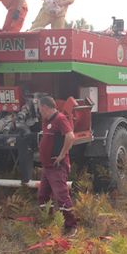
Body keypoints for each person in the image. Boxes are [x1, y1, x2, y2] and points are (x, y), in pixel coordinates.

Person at [37, 96, 77, 237]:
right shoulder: (46, 121)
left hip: (57, 166)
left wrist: (62, 155)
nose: (39, 111)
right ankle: (49, 224)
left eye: (39, 108)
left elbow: (70, 136)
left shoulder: (60, 119)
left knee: (61, 197)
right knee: (43, 196)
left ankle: (71, 226)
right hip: (47, 167)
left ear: (45, 107)